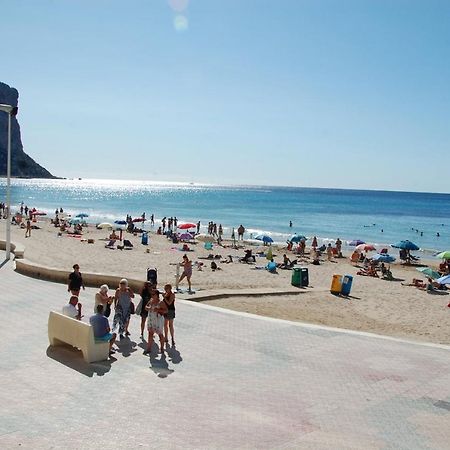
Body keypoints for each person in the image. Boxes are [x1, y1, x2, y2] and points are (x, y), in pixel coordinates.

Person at [144, 289, 168, 354]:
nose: (152, 296)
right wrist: (148, 308)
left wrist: (158, 310)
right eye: (151, 294)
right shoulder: (151, 300)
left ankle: (162, 348)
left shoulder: (161, 302)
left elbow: (166, 310)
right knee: (150, 333)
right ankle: (149, 348)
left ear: (157, 295)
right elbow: (145, 307)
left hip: (158, 319)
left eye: (153, 294)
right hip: (151, 318)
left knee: (160, 334)